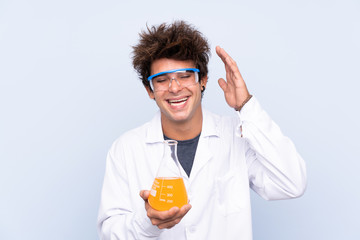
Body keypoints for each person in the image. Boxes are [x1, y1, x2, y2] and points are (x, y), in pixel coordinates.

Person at [97, 20, 307, 240]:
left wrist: (246, 107)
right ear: (150, 90)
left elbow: (292, 183)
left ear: (203, 80)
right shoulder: (126, 149)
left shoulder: (236, 137)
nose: (175, 88)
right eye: (161, 80)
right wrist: (147, 221)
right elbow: (110, 233)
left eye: (185, 76)